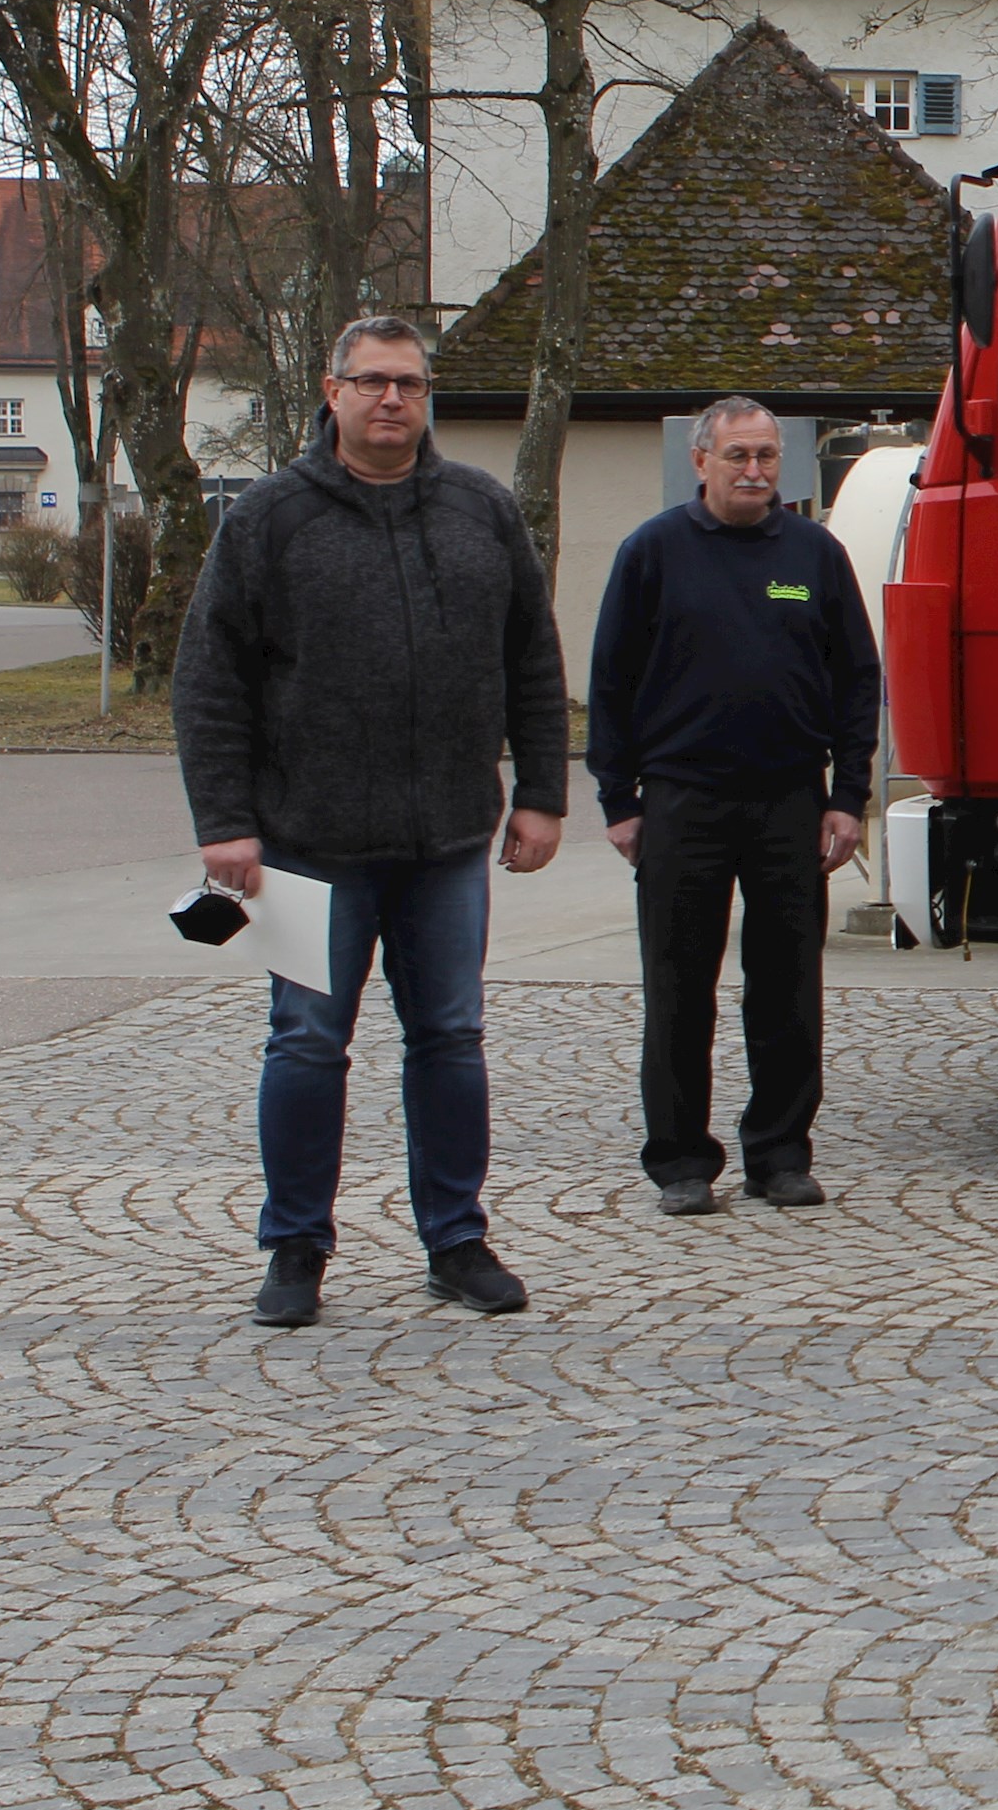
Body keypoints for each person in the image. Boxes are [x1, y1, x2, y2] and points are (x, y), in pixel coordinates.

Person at [175, 314, 568, 1328]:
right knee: (305, 1044)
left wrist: (540, 792)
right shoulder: (268, 518)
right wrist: (225, 821)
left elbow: (532, 659)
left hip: (446, 841)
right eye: (372, 382)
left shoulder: (481, 512)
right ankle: (295, 1246)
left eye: (409, 382)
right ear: (332, 389)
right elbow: (210, 678)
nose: (392, 399)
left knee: (451, 1038)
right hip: (306, 843)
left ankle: (456, 1238)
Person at [587, 396, 883, 1217]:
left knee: (788, 986)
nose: (755, 472)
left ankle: (781, 1153)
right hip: (682, 801)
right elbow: (609, 682)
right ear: (701, 461)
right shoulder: (653, 553)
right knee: (679, 986)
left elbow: (858, 680)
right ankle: (682, 1160)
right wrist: (619, 799)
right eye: (738, 457)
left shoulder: (815, 554)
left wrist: (848, 795)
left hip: (791, 798)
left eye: (766, 457)